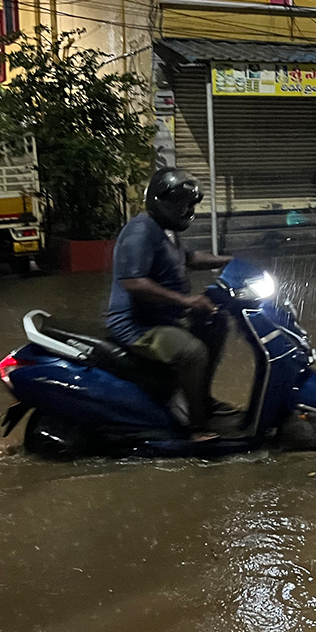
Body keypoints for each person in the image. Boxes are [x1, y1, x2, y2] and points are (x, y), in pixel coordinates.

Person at [106, 168, 232, 438]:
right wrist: (186, 299)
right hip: (137, 326)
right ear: (160, 201)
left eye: (188, 204)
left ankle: (201, 399)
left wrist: (229, 262)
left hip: (163, 318)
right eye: (181, 204)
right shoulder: (140, 231)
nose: (186, 210)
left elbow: (189, 258)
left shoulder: (166, 230)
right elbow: (134, 282)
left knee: (216, 322)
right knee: (193, 352)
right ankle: (196, 427)